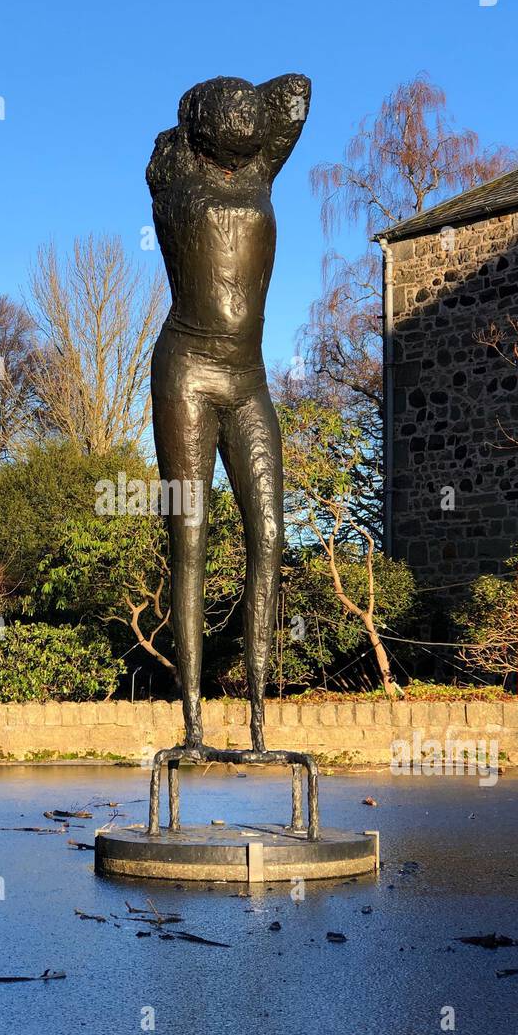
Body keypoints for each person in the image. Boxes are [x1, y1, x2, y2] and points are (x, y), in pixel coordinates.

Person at [147, 73, 311, 752]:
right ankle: (190, 725)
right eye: (232, 105)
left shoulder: (263, 170)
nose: (248, 113)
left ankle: (257, 726)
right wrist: (192, 116)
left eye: (250, 105)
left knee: (268, 535)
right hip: (186, 370)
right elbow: (168, 147)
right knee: (189, 537)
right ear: (200, 121)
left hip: (247, 378)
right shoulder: (172, 170)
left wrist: (244, 102)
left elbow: (295, 92)